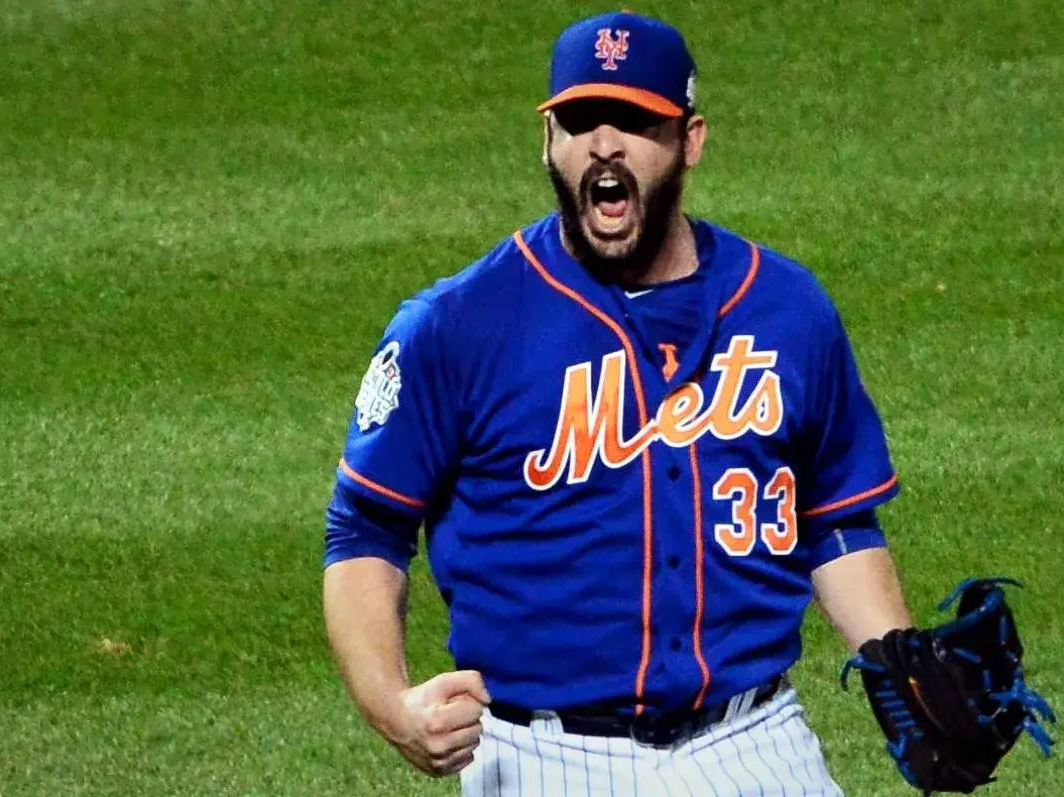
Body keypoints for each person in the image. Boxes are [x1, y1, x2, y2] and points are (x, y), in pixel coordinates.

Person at [322, 10, 914, 795]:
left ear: (689, 140)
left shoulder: (786, 308)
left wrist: (900, 663)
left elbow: (835, 517)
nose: (603, 143)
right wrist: (392, 705)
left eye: (634, 120)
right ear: (549, 146)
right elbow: (366, 527)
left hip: (756, 742)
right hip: (544, 759)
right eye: (577, 121)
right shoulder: (457, 324)